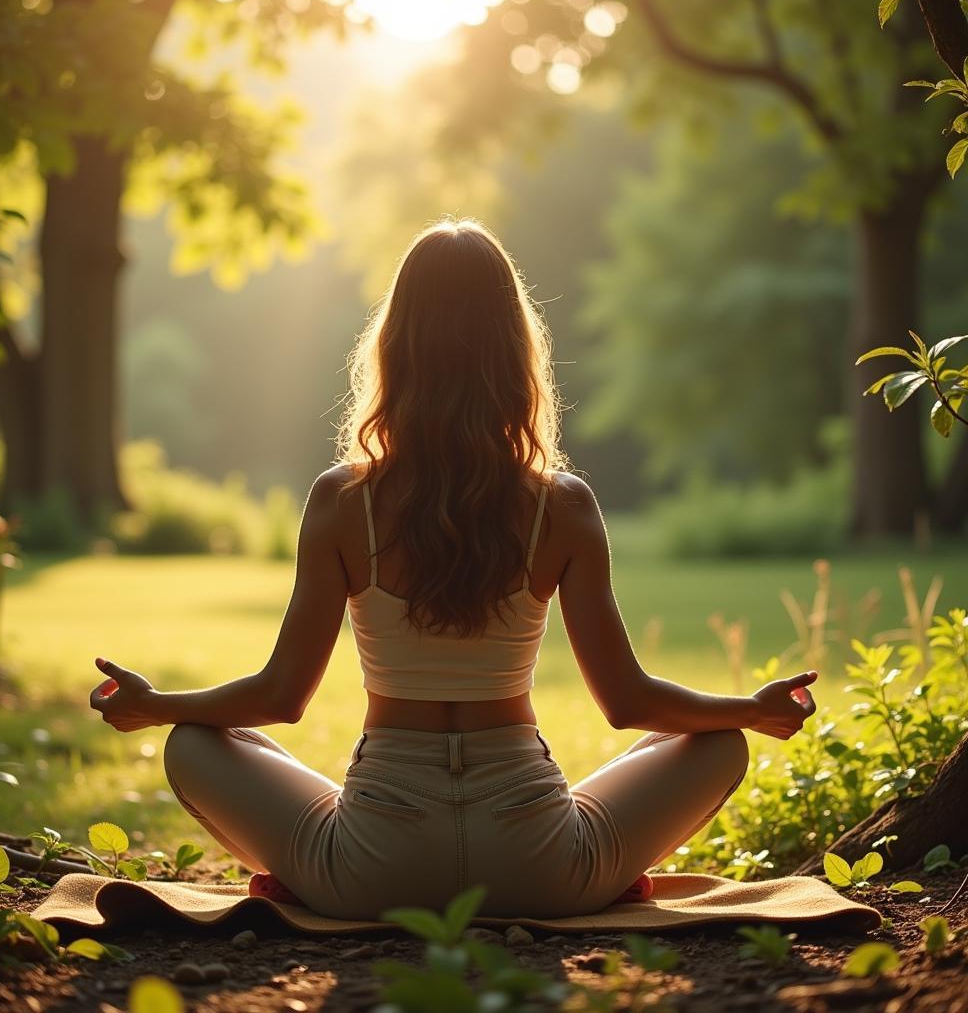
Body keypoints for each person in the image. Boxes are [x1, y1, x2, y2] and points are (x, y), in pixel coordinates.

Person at [89, 218, 817, 920]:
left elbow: (280, 697)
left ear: (396, 349)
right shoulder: (561, 505)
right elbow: (629, 703)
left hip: (370, 870)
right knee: (710, 738)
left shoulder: (343, 500)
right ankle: (609, 878)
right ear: (513, 351)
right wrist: (750, 711)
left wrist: (158, 706)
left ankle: (299, 878)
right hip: (543, 867)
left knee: (198, 739)